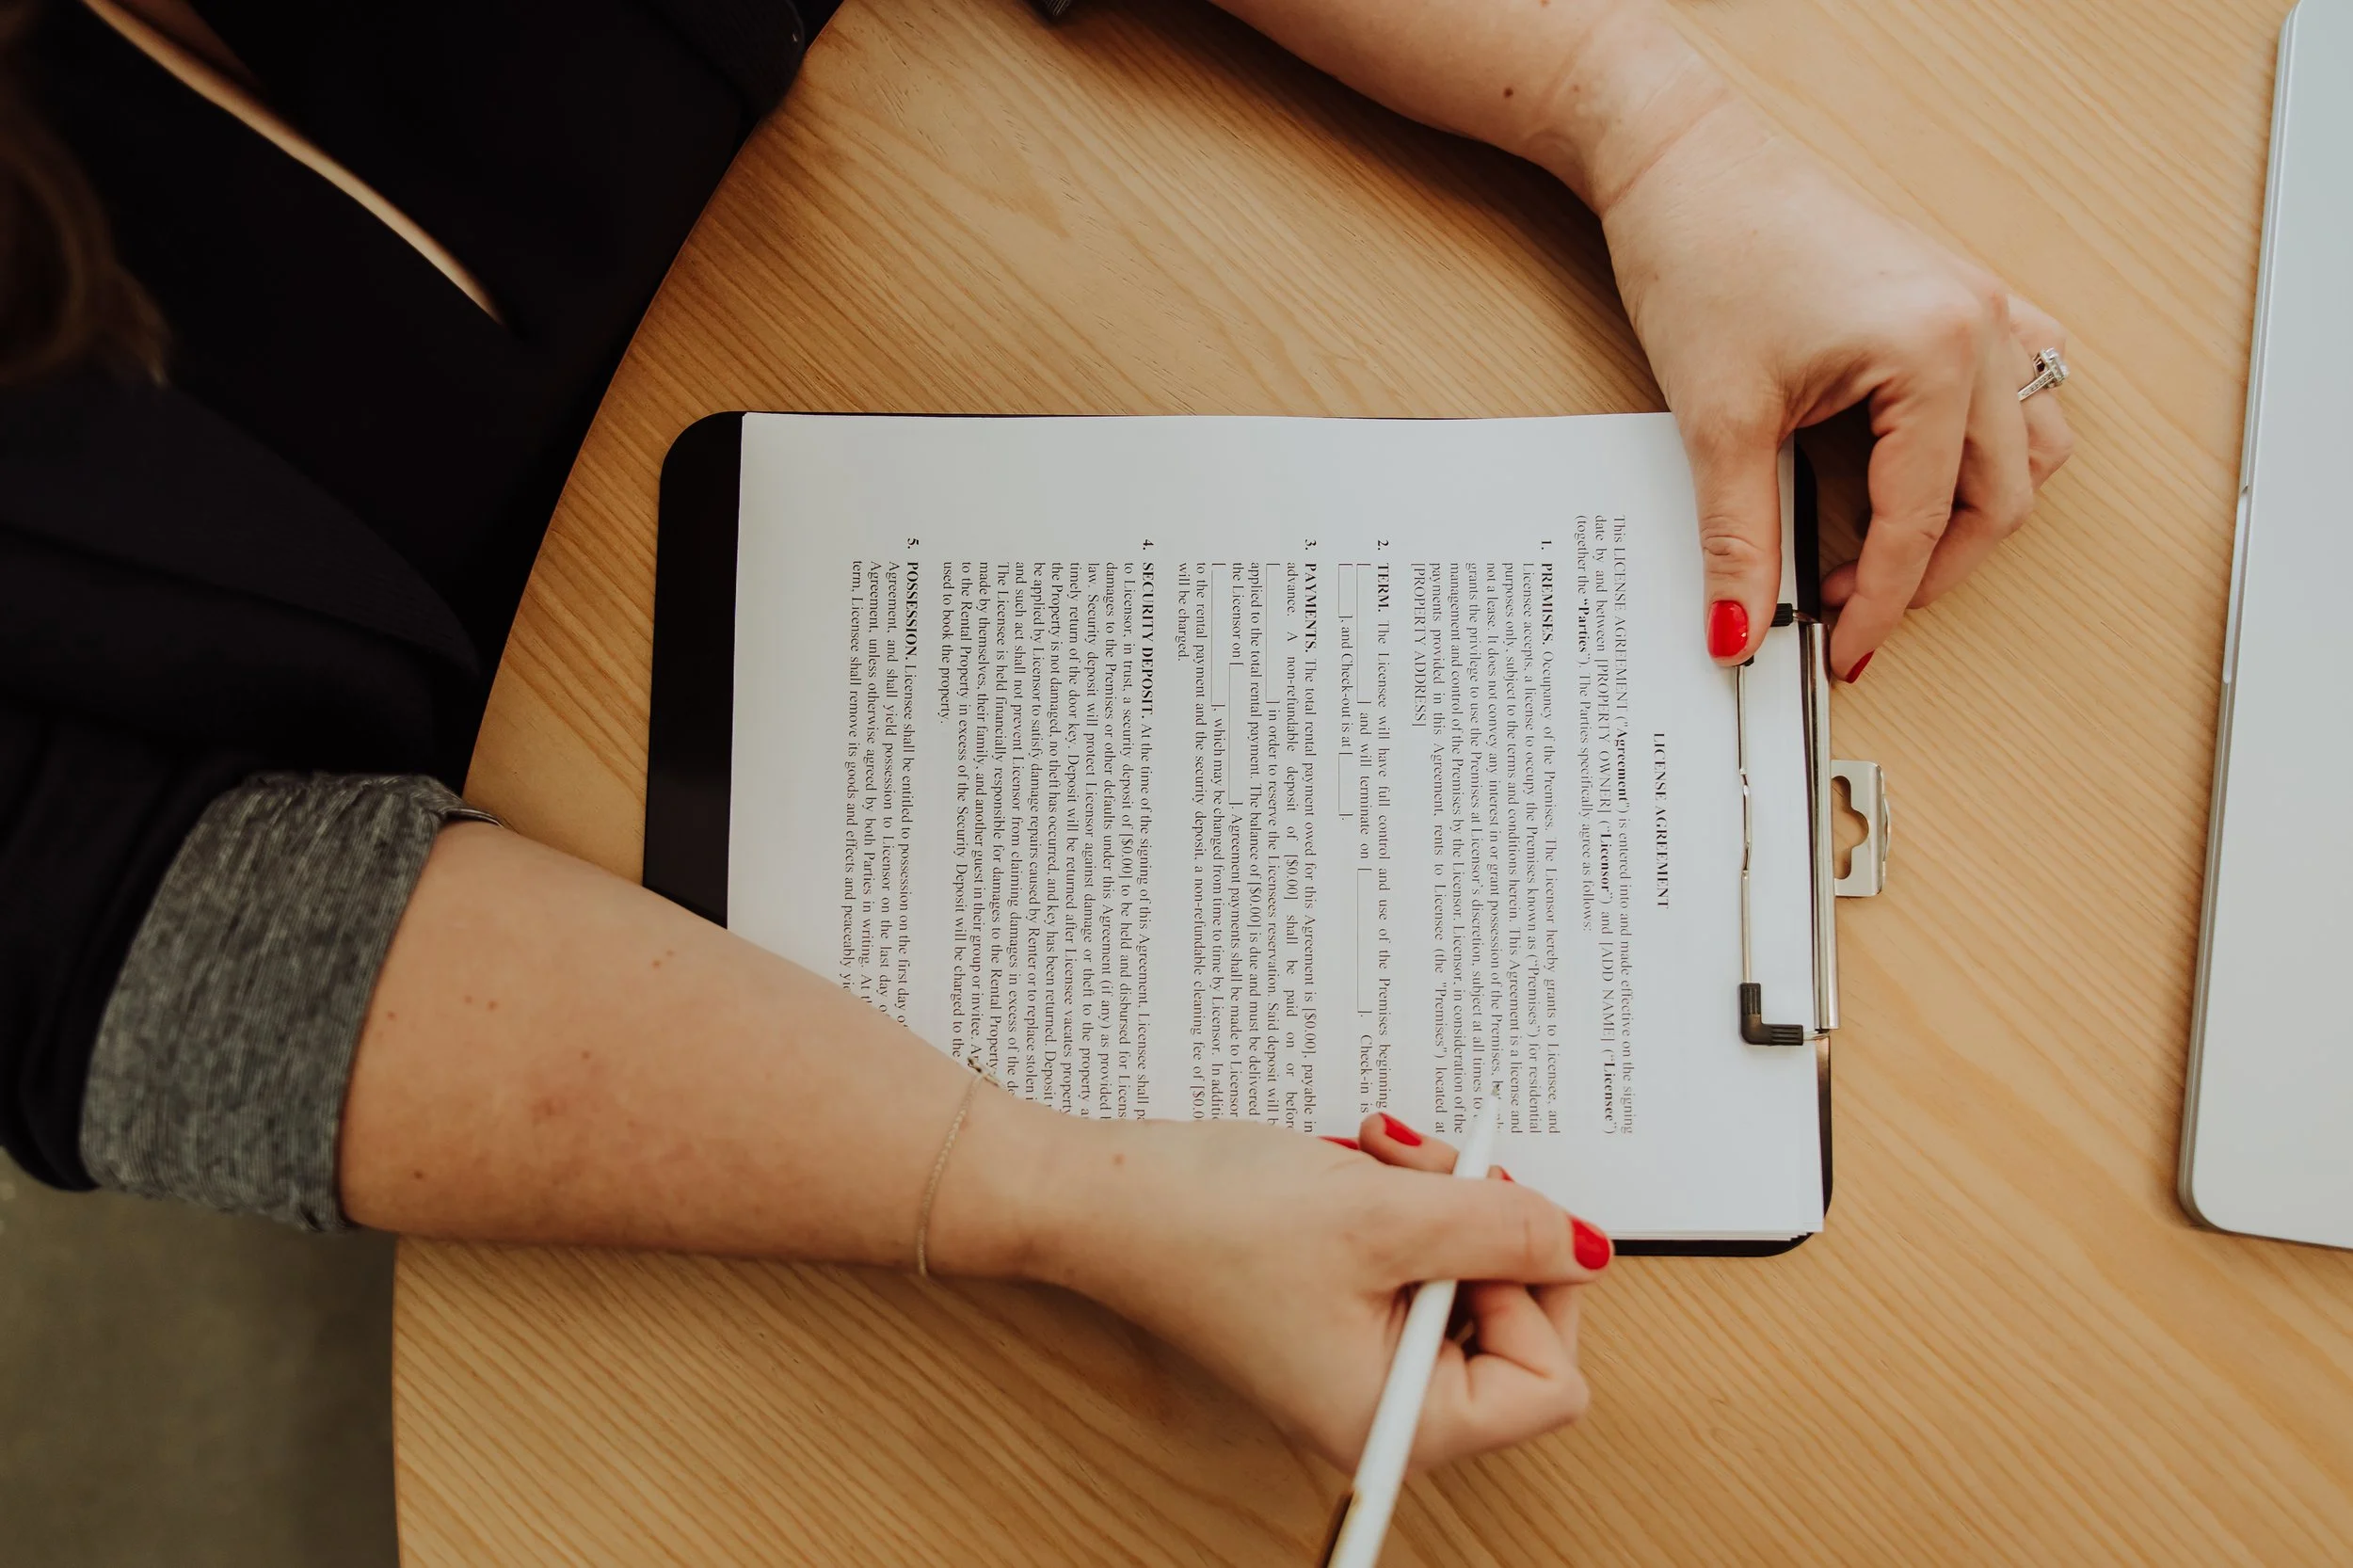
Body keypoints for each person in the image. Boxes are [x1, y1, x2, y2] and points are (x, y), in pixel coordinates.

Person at [0, 0, 2072, 1477]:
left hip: (970, 205)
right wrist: (1045, 1190)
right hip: (606, 889)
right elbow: (138, 938)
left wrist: (1651, 119)